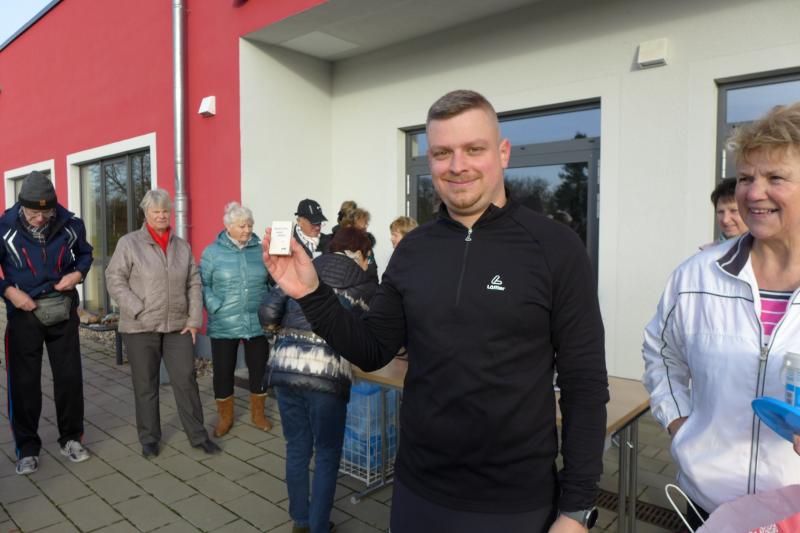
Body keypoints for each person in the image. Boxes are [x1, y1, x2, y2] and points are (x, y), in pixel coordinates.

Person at [263, 90, 607, 533]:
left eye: (474, 149)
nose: (457, 165)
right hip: (418, 492)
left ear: (502, 153)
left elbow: (584, 383)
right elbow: (372, 349)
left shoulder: (556, 247)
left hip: (516, 502)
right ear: (431, 161)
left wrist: (576, 509)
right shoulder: (414, 250)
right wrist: (311, 293)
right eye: (443, 153)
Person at [643, 102, 800, 529]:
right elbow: (661, 354)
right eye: (746, 177)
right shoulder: (696, 275)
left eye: (775, 178)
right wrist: (680, 425)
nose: (753, 193)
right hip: (705, 503)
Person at [259, 227, 377, 533]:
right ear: (359, 254)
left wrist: (281, 335)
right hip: (327, 373)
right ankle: (319, 525)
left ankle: (300, 520)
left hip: (286, 367)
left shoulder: (306, 265)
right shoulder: (364, 282)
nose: (369, 262)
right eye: (368, 256)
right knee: (326, 452)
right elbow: (368, 333)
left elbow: (267, 311)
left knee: (297, 446)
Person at [106, 189, 219, 457]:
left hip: (178, 326)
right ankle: (149, 439)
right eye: (155, 211)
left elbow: (194, 283)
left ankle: (198, 435)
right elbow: (114, 278)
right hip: (140, 327)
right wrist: (137, 308)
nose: (161, 216)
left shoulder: (181, 246)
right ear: (146, 213)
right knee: (146, 384)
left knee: (186, 379)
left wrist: (194, 320)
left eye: (165, 211)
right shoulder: (129, 243)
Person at [0, 170, 93, 475]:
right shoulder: (4, 227)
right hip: (23, 316)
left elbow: (85, 254)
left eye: (46, 212)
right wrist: (10, 292)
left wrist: (77, 275)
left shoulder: (70, 224)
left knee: (69, 379)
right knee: (23, 385)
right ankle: (27, 448)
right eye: (33, 213)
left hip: (61, 312)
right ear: (21, 206)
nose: (40, 219)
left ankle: (71, 439)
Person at [200, 202, 272, 437]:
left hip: (256, 322)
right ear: (228, 226)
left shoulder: (260, 250)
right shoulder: (212, 252)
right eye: (242, 226)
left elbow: (271, 282)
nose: (247, 230)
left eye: (250, 225)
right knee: (223, 371)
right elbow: (202, 284)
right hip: (224, 322)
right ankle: (225, 418)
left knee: (259, 369)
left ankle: (258, 414)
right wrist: (215, 307)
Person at [700, 177, 749, 249]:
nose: (725, 220)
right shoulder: (706, 253)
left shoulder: (763, 251)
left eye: (733, 211)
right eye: (720, 212)